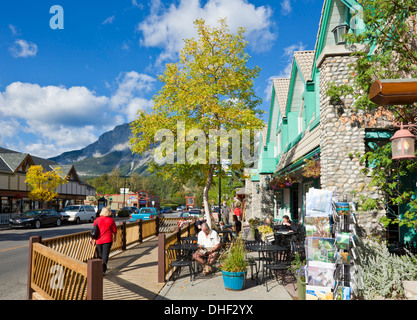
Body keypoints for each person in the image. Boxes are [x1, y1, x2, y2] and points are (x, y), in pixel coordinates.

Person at [90, 207, 117, 275]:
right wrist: (115, 237)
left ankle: (101, 269)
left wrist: (91, 238)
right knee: (105, 255)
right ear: (109, 212)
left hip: (98, 240)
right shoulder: (111, 220)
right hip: (108, 240)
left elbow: (93, 230)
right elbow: (114, 230)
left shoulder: (97, 220)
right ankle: (103, 270)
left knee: (101, 255)